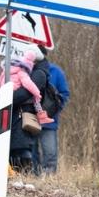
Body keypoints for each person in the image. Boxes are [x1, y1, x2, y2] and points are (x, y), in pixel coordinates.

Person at [9, 45, 49, 171]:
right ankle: (19, 173)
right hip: (21, 112)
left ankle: (24, 174)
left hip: (25, 113)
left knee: (21, 147)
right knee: (17, 146)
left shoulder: (38, 73)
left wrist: (7, 99)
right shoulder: (33, 71)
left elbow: (26, 92)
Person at [33, 45, 70, 174]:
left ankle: (48, 179)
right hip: (29, 118)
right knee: (31, 153)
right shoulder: (27, 70)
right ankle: (33, 177)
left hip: (49, 121)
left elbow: (64, 94)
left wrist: (53, 109)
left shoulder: (56, 72)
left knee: (50, 153)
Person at [0, 51, 54, 124]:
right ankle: (42, 116)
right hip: (15, 91)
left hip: (5, 92)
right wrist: (37, 93)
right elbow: (29, 84)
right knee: (36, 99)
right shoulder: (22, 73)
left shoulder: (6, 71)